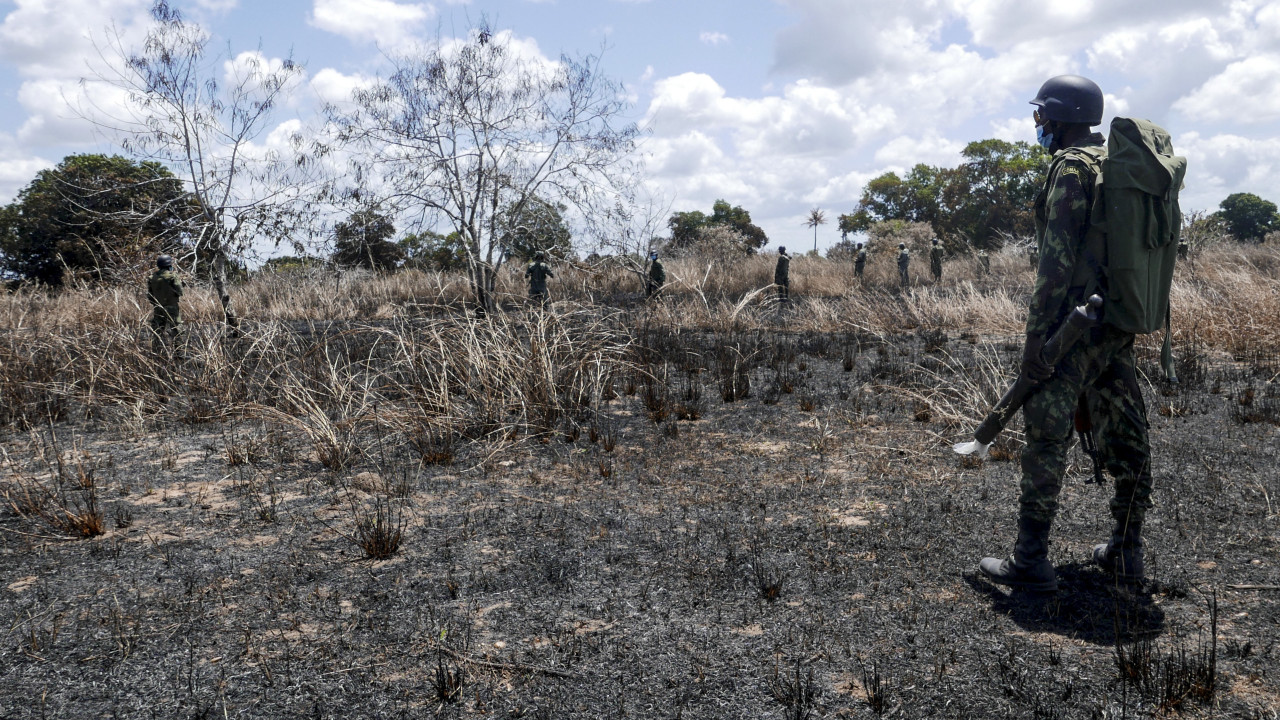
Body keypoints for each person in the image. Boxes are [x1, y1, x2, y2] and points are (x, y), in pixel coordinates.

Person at [979, 74, 1154, 592]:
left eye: (1042, 115)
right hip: (1117, 322)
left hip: (1073, 329)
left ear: (1058, 117)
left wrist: (1035, 342)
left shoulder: (1070, 168)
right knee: (1127, 431)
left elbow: (1055, 266)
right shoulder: (1116, 167)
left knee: (1045, 437)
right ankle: (1127, 550)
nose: (1039, 124)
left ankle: (1030, 561)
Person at [147, 254, 183, 351]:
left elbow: (150, 295)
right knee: (176, 328)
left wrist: (156, 303)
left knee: (158, 329)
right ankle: (179, 352)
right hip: (172, 307)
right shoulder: (172, 276)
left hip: (158, 307)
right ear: (169, 264)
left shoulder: (152, 277)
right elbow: (180, 292)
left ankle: (156, 350)